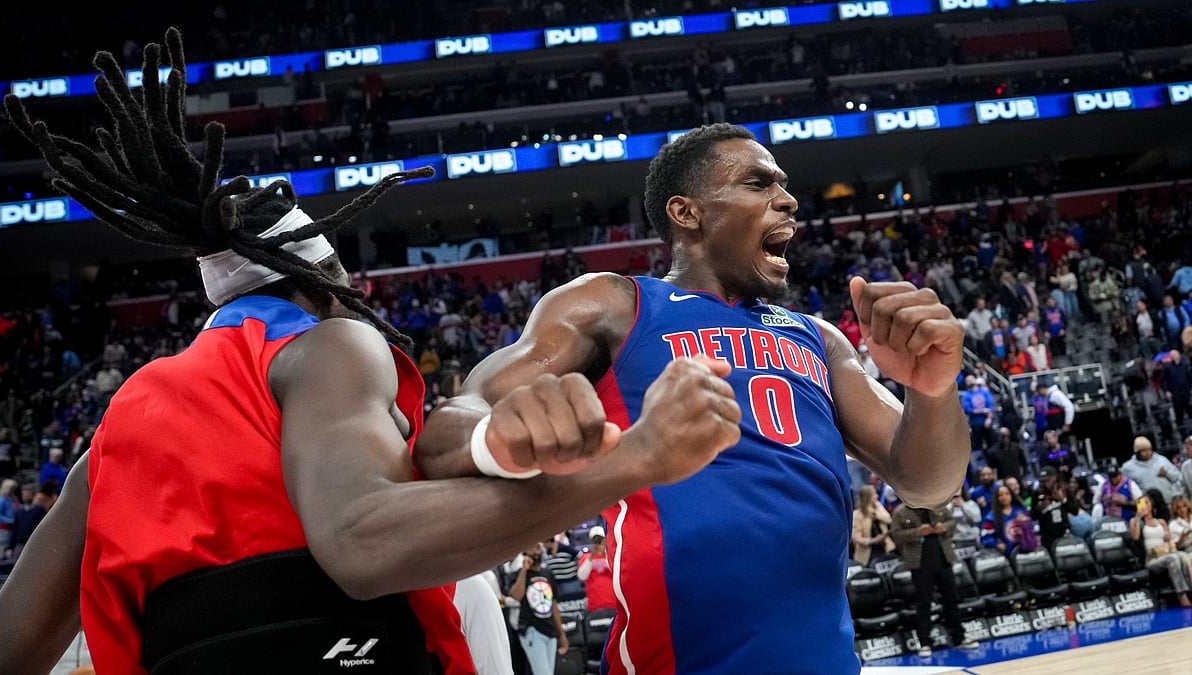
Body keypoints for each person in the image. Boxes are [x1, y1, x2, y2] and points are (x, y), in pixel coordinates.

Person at [0, 30, 742, 675]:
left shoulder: (113, 436)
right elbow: (361, 543)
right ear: (322, 285)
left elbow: (9, 648)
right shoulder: (328, 344)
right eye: (350, 287)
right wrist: (632, 460)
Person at [414, 123, 971, 674]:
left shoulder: (819, 338)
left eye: (783, 184)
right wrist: (500, 436)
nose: (789, 200)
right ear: (687, 212)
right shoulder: (615, 304)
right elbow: (453, 423)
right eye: (758, 184)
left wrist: (932, 388)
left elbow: (929, 482)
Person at [889, 503, 979, 658]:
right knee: (924, 603)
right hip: (920, 563)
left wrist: (943, 527)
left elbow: (952, 522)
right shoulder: (901, 512)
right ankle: (924, 642)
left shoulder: (938, 506)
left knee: (951, 599)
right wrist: (918, 532)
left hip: (943, 559)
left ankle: (959, 637)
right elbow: (896, 535)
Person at [510, 544, 569, 675]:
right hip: (532, 630)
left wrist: (562, 634)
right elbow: (516, 595)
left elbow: (553, 605)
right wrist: (524, 570)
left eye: (537, 548)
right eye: (531, 547)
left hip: (550, 630)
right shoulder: (519, 574)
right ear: (524, 552)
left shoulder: (548, 574)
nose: (535, 552)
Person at [1129, 495, 1192, 607]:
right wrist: (1138, 517)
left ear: (1151, 505)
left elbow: (1169, 541)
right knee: (1173, 558)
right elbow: (1135, 537)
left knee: (1183, 555)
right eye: (1141, 503)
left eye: (1147, 502)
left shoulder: (1161, 522)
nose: (1144, 506)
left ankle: (1190, 589)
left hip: (1165, 553)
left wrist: (1168, 535)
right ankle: (1181, 594)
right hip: (1152, 559)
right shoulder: (1135, 521)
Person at [1123, 435, 1185, 505]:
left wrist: (1167, 473)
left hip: (1168, 502)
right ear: (1137, 452)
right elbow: (1127, 489)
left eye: (1149, 449)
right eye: (1144, 450)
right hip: (1146, 505)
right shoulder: (1128, 468)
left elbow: (1177, 477)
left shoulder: (1161, 460)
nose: (1147, 452)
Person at [980, 485, 1032, 554]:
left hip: (1027, 550)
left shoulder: (1022, 511)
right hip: (1006, 553)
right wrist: (996, 544)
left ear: (1011, 495)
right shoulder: (991, 516)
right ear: (997, 498)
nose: (1004, 497)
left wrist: (1025, 523)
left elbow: (1032, 529)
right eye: (1000, 495)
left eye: (1007, 494)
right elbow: (985, 537)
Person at [852, 484, 894, 565]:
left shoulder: (878, 507)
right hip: (868, 552)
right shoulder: (857, 515)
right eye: (874, 494)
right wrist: (873, 540)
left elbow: (888, 519)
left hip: (885, 547)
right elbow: (856, 537)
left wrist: (875, 514)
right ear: (867, 497)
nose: (877, 496)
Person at [577, 525, 614, 612]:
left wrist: (605, 554)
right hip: (594, 605)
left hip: (613, 603)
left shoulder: (611, 556)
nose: (597, 543)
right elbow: (582, 576)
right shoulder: (585, 558)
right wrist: (591, 557)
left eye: (600, 540)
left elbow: (617, 572)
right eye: (595, 541)